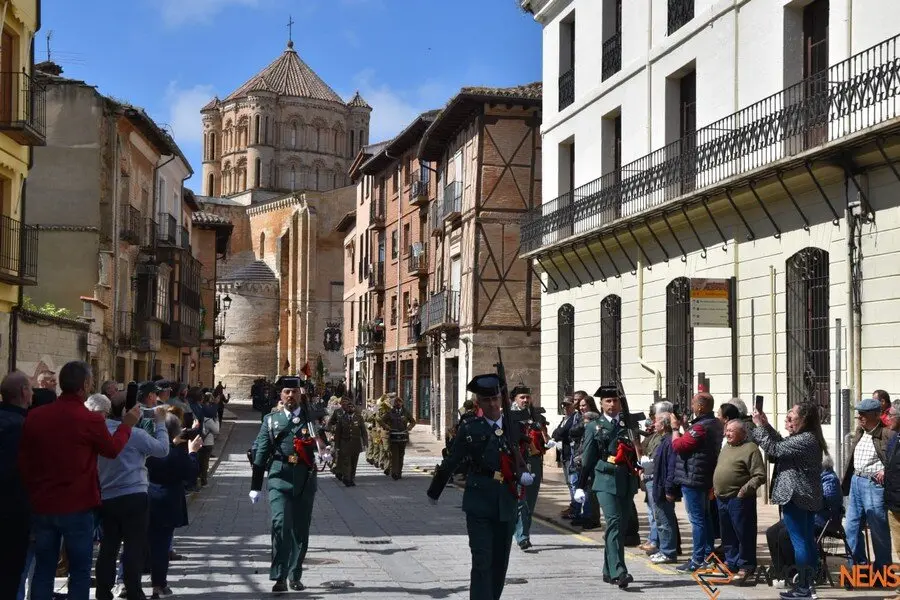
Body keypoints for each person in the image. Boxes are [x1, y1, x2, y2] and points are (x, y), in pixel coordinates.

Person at [19, 361, 140, 600]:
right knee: (80, 570)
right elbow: (112, 449)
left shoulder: (36, 416)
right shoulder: (89, 420)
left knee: (44, 568)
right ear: (85, 385)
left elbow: (24, 461)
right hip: (78, 505)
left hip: (43, 503)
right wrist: (126, 426)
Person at [427, 374, 534, 600]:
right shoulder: (470, 427)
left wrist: (525, 473)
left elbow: (524, 456)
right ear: (479, 404)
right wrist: (435, 490)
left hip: (506, 499)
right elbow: (452, 460)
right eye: (487, 401)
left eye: (495, 398)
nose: (493, 404)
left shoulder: (514, 426)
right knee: (482, 559)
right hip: (479, 500)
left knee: (500, 561)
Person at [249, 377, 330, 593]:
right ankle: (279, 576)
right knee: (280, 525)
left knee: (300, 530)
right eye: (286, 391)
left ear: (300, 394)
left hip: (305, 479)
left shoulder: (311, 420)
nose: (291, 396)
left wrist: (326, 453)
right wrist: (255, 486)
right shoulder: (271, 420)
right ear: (280, 395)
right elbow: (260, 454)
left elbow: (324, 445)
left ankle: (295, 574)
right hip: (279, 477)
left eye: (294, 391)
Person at [95, 393, 169, 600]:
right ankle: (134, 590)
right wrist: (160, 423)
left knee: (108, 546)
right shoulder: (136, 435)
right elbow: (163, 450)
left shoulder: (98, 433)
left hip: (107, 496)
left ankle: (103, 590)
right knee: (134, 546)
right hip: (134, 495)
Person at [752, 403, 827, 600]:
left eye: (791, 417)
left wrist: (759, 427)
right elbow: (780, 443)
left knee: (800, 542)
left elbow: (774, 449)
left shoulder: (805, 439)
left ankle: (804, 587)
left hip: (797, 496)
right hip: (805, 496)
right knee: (807, 541)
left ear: (804, 420)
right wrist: (766, 426)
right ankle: (808, 585)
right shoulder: (806, 438)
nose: (787, 420)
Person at [575, 385, 639, 589]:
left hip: (626, 479)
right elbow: (587, 459)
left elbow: (635, 450)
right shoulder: (594, 426)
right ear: (601, 404)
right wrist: (580, 486)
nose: (612, 404)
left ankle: (607, 569)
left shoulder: (627, 424)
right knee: (614, 522)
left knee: (620, 527)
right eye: (608, 401)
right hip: (604, 479)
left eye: (616, 401)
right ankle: (620, 570)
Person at [146, 413, 202, 599]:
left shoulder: (146, 447)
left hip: (144, 498)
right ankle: (158, 585)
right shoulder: (176, 452)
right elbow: (190, 474)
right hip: (167, 501)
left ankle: (126, 583)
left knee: (135, 544)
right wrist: (192, 452)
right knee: (161, 546)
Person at [671, 392, 724, 573]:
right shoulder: (715, 423)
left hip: (694, 478)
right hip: (705, 476)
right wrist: (686, 426)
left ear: (700, 407)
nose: (692, 406)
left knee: (697, 520)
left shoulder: (701, 427)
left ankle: (698, 559)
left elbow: (678, 445)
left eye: (693, 403)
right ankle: (708, 556)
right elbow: (695, 441)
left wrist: (675, 429)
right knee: (706, 518)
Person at [842, 396, 894, 576]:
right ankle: (859, 568)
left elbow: (896, 458)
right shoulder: (860, 432)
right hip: (856, 482)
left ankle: (883, 571)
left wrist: (887, 471)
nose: (859, 417)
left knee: (878, 528)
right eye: (859, 414)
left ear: (876, 415)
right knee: (851, 526)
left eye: (863, 414)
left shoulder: (887, 434)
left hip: (874, 485)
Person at [713, 419, 766, 582]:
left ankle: (746, 565)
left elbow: (759, 475)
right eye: (726, 430)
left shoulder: (751, 449)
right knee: (727, 534)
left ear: (742, 433)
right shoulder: (726, 447)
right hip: (721, 498)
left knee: (744, 534)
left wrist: (744, 491)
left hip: (739, 499)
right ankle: (731, 562)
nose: (727, 433)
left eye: (731, 431)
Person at [0, 371, 32, 600]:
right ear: (23, 392)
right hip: (14, 511)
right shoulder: (25, 427)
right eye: (30, 388)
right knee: (10, 575)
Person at [511, 384, 548, 550]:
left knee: (530, 502)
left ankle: (523, 532)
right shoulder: (509, 416)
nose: (525, 400)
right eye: (522, 397)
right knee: (521, 500)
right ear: (515, 399)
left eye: (527, 397)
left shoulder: (535, 417)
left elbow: (544, 440)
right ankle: (522, 536)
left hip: (534, 462)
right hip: (516, 462)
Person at [551, 395, 580, 519]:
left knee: (573, 483)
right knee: (569, 483)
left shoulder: (574, 418)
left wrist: (560, 432)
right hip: (564, 454)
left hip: (571, 455)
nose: (565, 407)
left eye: (568, 405)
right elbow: (555, 433)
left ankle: (576, 509)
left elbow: (562, 432)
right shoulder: (565, 418)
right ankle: (573, 506)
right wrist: (559, 432)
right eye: (563, 405)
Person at [332, 396, 367, 486]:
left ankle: (351, 478)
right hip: (345, 443)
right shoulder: (342, 419)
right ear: (346, 409)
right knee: (346, 462)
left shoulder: (359, 418)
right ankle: (346, 478)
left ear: (354, 408)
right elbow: (338, 433)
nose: (350, 408)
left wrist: (365, 442)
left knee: (354, 462)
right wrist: (337, 445)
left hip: (356, 444)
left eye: (352, 407)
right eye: (348, 407)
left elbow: (363, 431)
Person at [381, 394, 415, 480]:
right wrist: (387, 427)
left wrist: (409, 428)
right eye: (396, 403)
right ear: (394, 404)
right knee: (394, 455)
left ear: (402, 404)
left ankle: (399, 472)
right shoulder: (390, 412)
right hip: (393, 437)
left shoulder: (406, 412)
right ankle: (394, 473)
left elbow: (413, 421)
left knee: (401, 456)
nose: (398, 404)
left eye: (400, 403)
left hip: (403, 436)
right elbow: (382, 421)